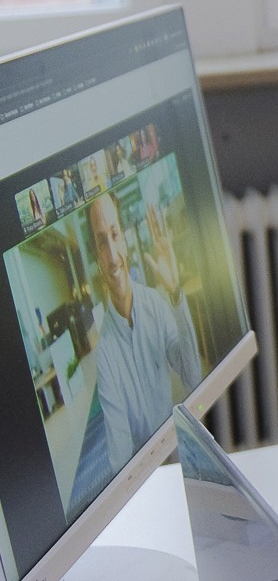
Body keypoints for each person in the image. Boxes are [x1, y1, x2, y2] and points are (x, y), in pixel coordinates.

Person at [88, 189, 200, 477]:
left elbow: (192, 377)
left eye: (114, 235)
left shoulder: (155, 304)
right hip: (145, 477)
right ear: (96, 256)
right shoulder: (105, 353)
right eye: (102, 243)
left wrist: (176, 295)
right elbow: (120, 454)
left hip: (178, 450)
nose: (112, 256)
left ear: (124, 238)